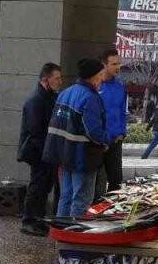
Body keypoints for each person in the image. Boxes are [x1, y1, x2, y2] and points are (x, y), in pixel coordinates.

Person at [43, 58, 110, 218]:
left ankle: (60, 229)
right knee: (81, 199)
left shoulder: (65, 93)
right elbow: (93, 131)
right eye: (101, 75)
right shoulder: (90, 97)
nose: (102, 79)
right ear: (94, 76)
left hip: (64, 155)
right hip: (83, 157)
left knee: (65, 197)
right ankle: (74, 230)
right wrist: (106, 141)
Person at [18, 61, 61, 236]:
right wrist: (47, 152)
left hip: (46, 151)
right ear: (45, 79)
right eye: (56, 78)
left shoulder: (49, 97)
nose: (59, 82)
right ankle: (28, 221)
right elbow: (35, 131)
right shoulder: (36, 100)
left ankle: (38, 219)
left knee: (44, 187)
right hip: (38, 152)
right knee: (37, 186)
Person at [97, 49, 126, 198]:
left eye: (119, 63)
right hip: (98, 142)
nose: (118, 67)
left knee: (116, 182)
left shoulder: (120, 86)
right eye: (114, 64)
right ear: (104, 65)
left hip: (115, 141)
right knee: (94, 183)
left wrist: (122, 133)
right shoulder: (95, 86)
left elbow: (122, 112)